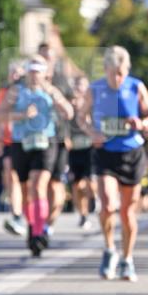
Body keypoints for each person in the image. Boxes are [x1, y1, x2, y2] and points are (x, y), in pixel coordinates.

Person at [85, 46, 148, 282]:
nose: (118, 78)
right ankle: (109, 250)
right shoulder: (95, 89)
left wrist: (142, 123)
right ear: (105, 69)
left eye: (122, 72)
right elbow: (80, 116)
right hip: (105, 152)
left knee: (127, 213)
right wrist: (91, 132)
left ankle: (127, 259)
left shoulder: (136, 86)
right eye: (113, 73)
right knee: (107, 204)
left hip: (132, 153)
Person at [7, 55, 73, 255]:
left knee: (39, 185)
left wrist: (54, 95)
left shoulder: (51, 91)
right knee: (27, 191)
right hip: (21, 142)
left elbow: (68, 113)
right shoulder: (17, 91)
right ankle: (33, 225)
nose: (35, 75)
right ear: (27, 72)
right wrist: (21, 115)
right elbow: (0, 114)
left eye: (39, 71)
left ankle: (38, 231)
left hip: (46, 141)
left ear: (45, 73)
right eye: (32, 70)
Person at [38, 42, 74, 239]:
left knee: (55, 184)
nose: (46, 61)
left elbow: (71, 107)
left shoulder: (61, 80)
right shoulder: (31, 80)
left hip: (59, 137)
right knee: (40, 182)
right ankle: (39, 219)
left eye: (49, 58)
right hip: (38, 138)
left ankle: (49, 222)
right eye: (43, 57)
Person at [0, 60, 27, 237]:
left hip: (26, 141)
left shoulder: (27, 92)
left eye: (18, 72)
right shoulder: (3, 93)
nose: (14, 76)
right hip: (8, 141)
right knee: (11, 176)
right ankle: (16, 215)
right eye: (12, 72)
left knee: (25, 182)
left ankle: (29, 215)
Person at [67, 75, 96, 230]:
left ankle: (95, 200)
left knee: (90, 183)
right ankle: (83, 215)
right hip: (74, 150)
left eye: (82, 85)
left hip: (89, 148)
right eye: (77, 85)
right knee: (77, 185)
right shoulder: (69, 105)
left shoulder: (92, 105)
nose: (78, 88)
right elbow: (63, 124)